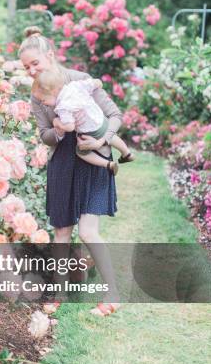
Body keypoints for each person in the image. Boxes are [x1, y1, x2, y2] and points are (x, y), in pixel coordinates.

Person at [19, 26, 123, 316]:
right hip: (64, 162)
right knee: (62, 231)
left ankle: (112, 295)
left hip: (93, 155)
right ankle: (57, 291)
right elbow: (44, 135)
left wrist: (102, 139)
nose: (30, 70)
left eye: (35, 63)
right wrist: (57, 130)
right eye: (26, 67)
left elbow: (115, 116)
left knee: (89, 231)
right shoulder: (36, 95)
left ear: (50, 56)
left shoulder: (79, 81)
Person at [35, 66, 135, 176]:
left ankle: (108, 164)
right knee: (111, 137)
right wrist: (97, 83)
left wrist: (57, 122)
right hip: (100, 120)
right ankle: (127, 153)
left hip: (90, 131)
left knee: (81, 152)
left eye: (43, 100)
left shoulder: (62, 107)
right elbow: (96, 83)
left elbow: (70, 127)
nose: (43, 103)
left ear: (53, 91)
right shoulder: (75, 85)